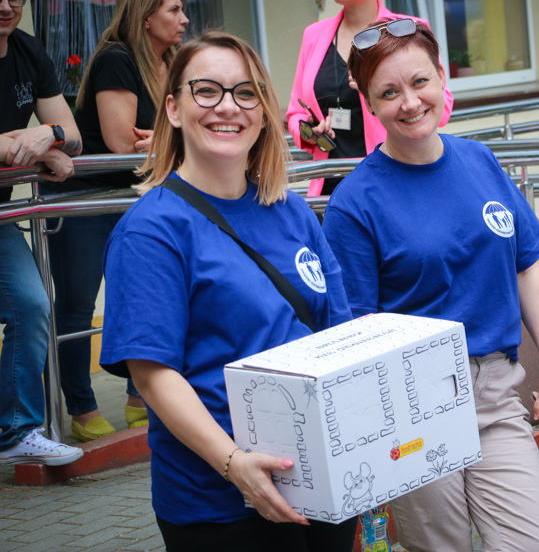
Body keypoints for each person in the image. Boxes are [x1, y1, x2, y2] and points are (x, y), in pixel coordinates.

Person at [322, 19, 539, 552]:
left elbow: (526, 266)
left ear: (442, 79)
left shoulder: (480, 161)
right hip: (414, 405)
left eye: (419, 82)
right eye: (389, 93)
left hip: (496, 393)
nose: (410, 102)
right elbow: (357, 333)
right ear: (370, 105)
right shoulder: (355, 202)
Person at [99, 30, 356, 552]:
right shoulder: (152, 229)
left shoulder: (290, 211)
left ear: (263, 112)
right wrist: (235, 464)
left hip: (324, 483)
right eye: (207, 91)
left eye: (245, 93)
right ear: (173, 108)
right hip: (220, 504)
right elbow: (153, 374)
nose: (228, 107)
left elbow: (341, 335)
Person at [43, 0, 189, 442]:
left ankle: (138, 398)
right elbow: (123, 142)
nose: (184, 19)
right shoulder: (116, 59)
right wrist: (171, 138)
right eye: (174, 10)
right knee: (77, 309)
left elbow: (182, 130)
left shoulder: (171, 63)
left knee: (142, 301)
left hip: (134, 200)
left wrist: (166, 138)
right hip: (84, 201)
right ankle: (81, 411)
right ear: (146, 17)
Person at [0, 0, 82, 466]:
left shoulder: (29, 51)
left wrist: (47, 136)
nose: (7, 7)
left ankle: (16, 430)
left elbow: (70, 134)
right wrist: (26, 142)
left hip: (2, 213)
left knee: (32, 306)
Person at [286, 0, 454, 197]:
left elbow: (442, 107)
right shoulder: (313, 35)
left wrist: (378, 92)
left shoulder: (407, 29)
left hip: (392, 179)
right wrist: (308, 131)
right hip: (330, 185)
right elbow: (295, 112)